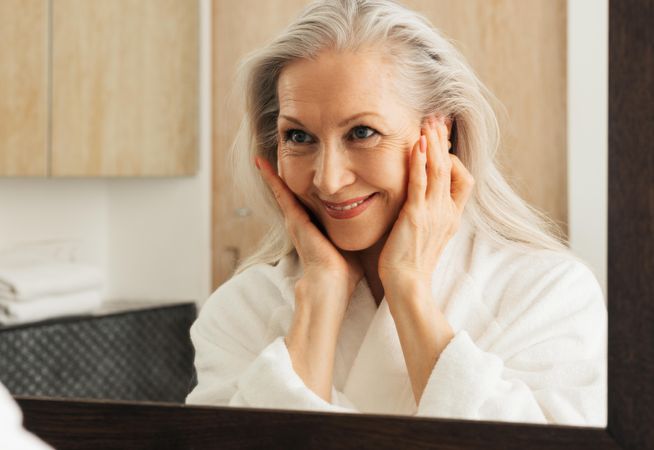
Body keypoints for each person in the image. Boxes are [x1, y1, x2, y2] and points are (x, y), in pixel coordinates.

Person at [186, 0, 606, 426]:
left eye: (362, 132)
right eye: (299, 136)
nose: (328, 180)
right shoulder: (239, 309)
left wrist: (408, 287)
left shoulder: (546, 294)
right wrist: (320, 302)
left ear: (441, 135)